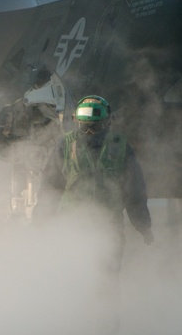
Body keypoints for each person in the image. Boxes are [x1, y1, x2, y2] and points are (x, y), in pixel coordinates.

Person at [41, 95, 153, 273]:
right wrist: (41, 223)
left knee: (106, 281)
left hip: (108, 230)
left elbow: (134, 190)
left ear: (108, 123)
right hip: (72, 227)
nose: (90, 133)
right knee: (73, 279)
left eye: (95, 127)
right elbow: (50, 188)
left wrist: (143, 225)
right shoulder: (65, 145)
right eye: (85, 128)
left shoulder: (120, 147)